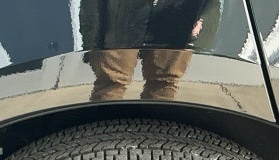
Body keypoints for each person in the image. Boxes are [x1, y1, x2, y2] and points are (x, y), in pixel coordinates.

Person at [80, 0, 221, 101]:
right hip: (120, 17)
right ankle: (105, 131)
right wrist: (91, 42)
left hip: (178, 14)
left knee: (164, 83)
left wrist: (204, 20)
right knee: (111, 83)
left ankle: (157, 130)